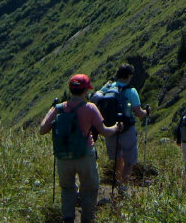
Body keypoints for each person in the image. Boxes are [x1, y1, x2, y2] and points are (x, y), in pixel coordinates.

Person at [39, 74, 123, 223]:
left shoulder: (59, 108)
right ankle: (87, 219)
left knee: (67, 189)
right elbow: (104, 131)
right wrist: (117, 127)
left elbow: (42, 129)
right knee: (89, 190)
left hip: (63, 156)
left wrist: (53, 108)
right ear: (85, 91)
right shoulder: (90, 108)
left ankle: (68, 218)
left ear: (71, 90)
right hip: (85, 155)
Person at [97, 63, 149, 193]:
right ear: (129, 76)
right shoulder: (131, 91)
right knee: (129, 160)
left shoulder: (107, 88)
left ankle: (118, 181)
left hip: (110, 129)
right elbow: (139, 113)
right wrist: (147, 112)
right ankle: (123, 187)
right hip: (126, 129)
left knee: (117, 157)